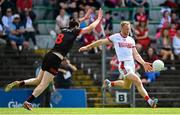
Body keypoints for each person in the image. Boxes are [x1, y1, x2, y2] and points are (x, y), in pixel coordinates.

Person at [4, 8, 103, 110]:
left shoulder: (64, 29)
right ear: (77, 27)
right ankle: (28, 102)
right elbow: (90, 27)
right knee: (43, 84)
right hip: (56, 59)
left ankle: (20, 82)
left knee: (38, 80)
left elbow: (74, 23)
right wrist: (99, 18)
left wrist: (84, 18)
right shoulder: (75, 31)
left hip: (49, 55)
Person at [79, 21, 158, 108]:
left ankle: (109, 83)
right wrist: (88, 47)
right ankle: (150, 101)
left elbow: (136, 54)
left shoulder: (131, 39)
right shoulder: (115, 37)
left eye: (129, 29)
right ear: (122, 28)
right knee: (138, 81)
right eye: (126, 29)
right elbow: (101, 41)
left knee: (126, 85)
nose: (128, 30)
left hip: (131, 65)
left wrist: (143, 63)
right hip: (124, 65)